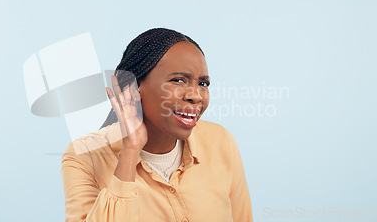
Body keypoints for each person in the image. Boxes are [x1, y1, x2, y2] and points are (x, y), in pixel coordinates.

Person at [61, 28, 253, 222]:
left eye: (203, 84)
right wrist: (131, 149)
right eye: (178, 80)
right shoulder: (86, 156)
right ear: (133, 87)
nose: (195, 96)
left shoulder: (220, 141)